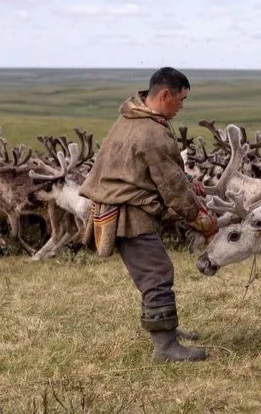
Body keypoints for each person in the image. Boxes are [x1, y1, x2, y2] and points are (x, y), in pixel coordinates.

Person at [79, 67, 219, 362]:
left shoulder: (133, 117)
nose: (182, 107)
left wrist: (186, 182)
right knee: (157, 273)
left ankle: (166, 329)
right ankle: (165, 346)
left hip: (121, 204)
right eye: (180, 100)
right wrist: (202, 220)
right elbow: (173, 189)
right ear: (165, 95)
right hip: (128, 213)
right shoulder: (151, 133)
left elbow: (153, 170)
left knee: (152, 271)